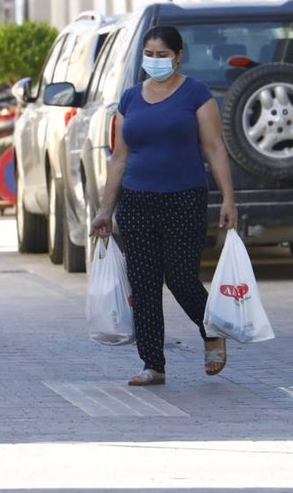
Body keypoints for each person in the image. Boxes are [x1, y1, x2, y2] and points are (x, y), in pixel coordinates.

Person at [89, 25, 238, 386]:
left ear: (178, 56)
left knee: (182, 278)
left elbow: (215, 148)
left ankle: (212, 331)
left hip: (184, 198)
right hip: (137, 201)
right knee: (143, 284)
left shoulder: (196, 95)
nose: (155, 61)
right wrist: (106, 209)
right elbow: (119, 157)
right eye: (149, 55)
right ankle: (153, 365)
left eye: (162, 55)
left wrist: (229, 199)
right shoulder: (129, 99)